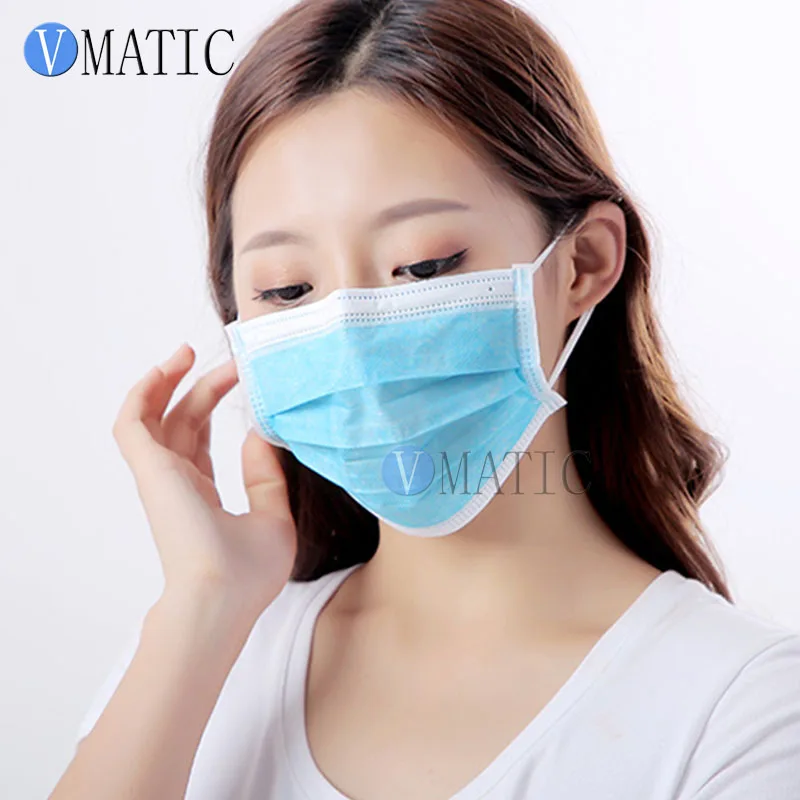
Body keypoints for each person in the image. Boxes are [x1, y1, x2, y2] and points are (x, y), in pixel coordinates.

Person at [50, 1, 800, 798]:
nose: (353, 338)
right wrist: (205, 603)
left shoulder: (741, 709)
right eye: (288, 288)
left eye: (422, 267)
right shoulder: (198, 663)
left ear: (582, 263)